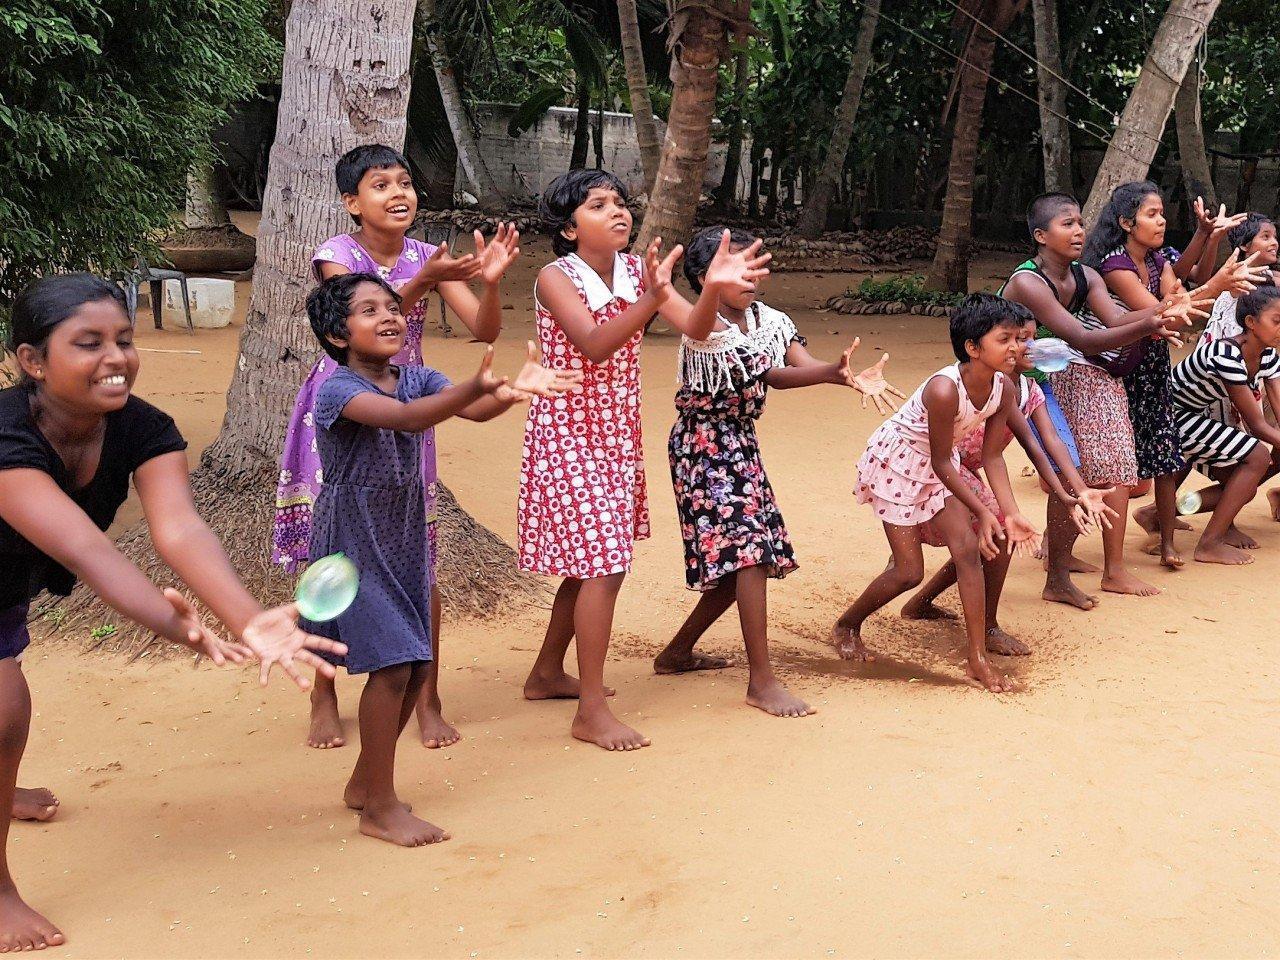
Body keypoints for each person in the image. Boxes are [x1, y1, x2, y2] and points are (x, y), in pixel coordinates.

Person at [0, 274, 342, 951]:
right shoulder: (7, 438)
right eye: (88, 343)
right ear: (33, 361)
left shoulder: (144, 428)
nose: (117, 357)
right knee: (6, 713)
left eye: (125, 340)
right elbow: (88, 551)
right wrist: (173, 626)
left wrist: (246, 618)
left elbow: (180, 530)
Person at [302, 272, 580, 845]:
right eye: (368, 310)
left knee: (418, 661)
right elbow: (408, 418)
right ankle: (379, 806)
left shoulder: (417, 377)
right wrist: (477, 384)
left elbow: (473, 413)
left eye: (392, 306)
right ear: (336, 335)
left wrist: (510, 392)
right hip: (352, 542)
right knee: (396, 663)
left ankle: (364, 783)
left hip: (401, 535)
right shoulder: (336, 388)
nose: (388, 316)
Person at [274, 143, 520, 753]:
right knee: (327, 561)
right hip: (353, 408)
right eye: (379, 185)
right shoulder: (338, 254)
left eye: (404, 181)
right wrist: (424, 282)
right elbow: (362, 321)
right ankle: (322, 695)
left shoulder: (424, 255)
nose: (398, 193)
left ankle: (428, 696)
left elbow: (484, 330)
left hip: (413, 399)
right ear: (351, 203)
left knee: (420, 554)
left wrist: (485, 285)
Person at [518, 169, 770, 751]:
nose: (618, 211)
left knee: (595, 564)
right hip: (566, 433)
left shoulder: (637, 271)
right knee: (605, 565)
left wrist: (706, 290)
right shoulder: (553, 278)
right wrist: (654, 298)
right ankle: (590, 711)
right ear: (567, 227)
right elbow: (596, 343)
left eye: (621, 202)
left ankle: (547, 673)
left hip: (615, 435)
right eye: (597, 204)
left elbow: (697, 329)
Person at [652, 226, 905, 718]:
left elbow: (793, 366)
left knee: (741, 565)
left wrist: (836, 372)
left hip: (740, 443)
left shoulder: (770, 320)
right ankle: (761, 682)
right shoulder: (701, 321)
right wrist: (828, 374)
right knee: (749, 556)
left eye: (755, 268)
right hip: (701, 443)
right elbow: (760, 369)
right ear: (706, 278)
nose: (751, 279)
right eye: (736, 270)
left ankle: (676, 653)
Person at [833, 293, 1105, 694]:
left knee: (976, 546)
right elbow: (942, 461)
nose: (1017, 348)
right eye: (1005, 339)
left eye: (1019, 338)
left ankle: (977, 656)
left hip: (942, 467)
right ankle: (847, 624)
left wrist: (1008, 513)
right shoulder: (944, 389)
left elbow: (993, 456)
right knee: (908, 571)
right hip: (901, 465)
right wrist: (985, 508)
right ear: (973, 348)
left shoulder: (1004, 389)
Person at [1003, 192, 1234, 603]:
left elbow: (1118, 318)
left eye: (1079, 222)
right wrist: (1164, 315)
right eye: (1066, 224)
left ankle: (1074, 571)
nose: (1078, 231)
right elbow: (1085, 339)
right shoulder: (1027, 282)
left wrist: (1164, 313)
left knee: (1086, 472)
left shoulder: (1085, 276)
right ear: (1040, 236)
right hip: (1012, 387)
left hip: (1051, 383)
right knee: (1068, 472)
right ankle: (1063, 573)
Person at [903, 310, 1115, 654]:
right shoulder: (985, 382)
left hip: (963, 472)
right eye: (1014, 338)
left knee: (990, 539)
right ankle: (974, 631)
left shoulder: (1025, 389)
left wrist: (1074, 490)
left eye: (1028, 338)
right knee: (937, 554)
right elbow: (953, 455)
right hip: (938, 469)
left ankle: (973, 623)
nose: (1024, 347)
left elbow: (1045, 443)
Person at [1082, 182, 1265, 570]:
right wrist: (1213, 287)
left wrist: (1205, 238)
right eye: (1152, 214)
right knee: (1101, 461)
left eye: (1162, 213)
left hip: (1150, 367)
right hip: (1113, 375)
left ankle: (1166, 542)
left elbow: (1180, 292)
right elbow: (1159, 310)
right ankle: (1058, 538)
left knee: (1165, 456)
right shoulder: (1115, 265)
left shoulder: (1155, 258)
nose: (1162, 220)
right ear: (1126, 222)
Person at [1169, 286, 1280, 563]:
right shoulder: (1225, 354)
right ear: (1251, 323)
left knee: (1242, 481)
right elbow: (1256, 425)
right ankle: (1209, 542)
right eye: (1276, 321)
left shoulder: (1268, 355)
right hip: (1171, 416)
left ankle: (1158, 514)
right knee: (1257, 456)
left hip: (1199, 415)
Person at [1201, 213, 1278, 346]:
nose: (1275, 243)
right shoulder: (1234, 274)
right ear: (1244, 246)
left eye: (1274, 237)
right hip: (1222, 351)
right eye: (1266, 236)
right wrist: (1214, 238)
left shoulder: (1267, 274)